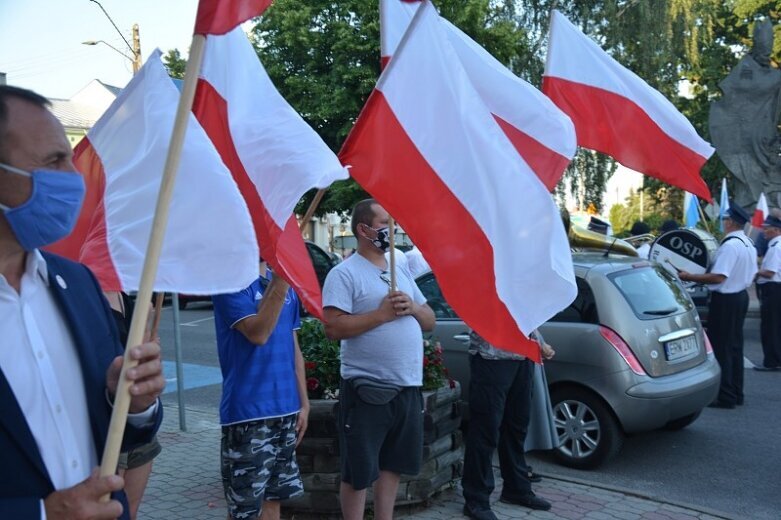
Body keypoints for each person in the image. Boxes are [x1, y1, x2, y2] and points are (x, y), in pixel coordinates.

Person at [0, 85, 164, 518]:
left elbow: (112, 436)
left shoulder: (77, 283)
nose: (73, 177)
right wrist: (39, 514)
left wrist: (132, 404)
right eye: (54, 161)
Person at [322, 199, 435, 520]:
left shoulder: (399, 266)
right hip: (367, 388)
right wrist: (381, 315)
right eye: (385, 223)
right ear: (364, 229)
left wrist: (412, 307)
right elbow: (333, 327)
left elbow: (429, 320)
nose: (392, 230)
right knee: (358, 472)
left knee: (392, 467)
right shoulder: (344, 274)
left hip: (407, 388)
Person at [211, 257, 310, 520]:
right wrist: (281, 281)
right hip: (249, 414)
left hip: (287, 411)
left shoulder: (280, 285)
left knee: (274, 501)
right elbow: (258, 333)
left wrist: (304, 403)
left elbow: (293, 347)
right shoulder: (228, 284)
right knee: (244, 511)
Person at [461, 331, 554, 520]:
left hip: (523, 357)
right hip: (491, 357)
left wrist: (539, 342)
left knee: (516, 427)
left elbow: (525, 316)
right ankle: (476, 499)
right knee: (485, 430)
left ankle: (516, 488)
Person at [679, 203, 757, 408]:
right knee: (734, 346)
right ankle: (736, 392)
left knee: (722, 347)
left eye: (724, 220)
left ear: (730, 221)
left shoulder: (730, 245)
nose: (723, 223)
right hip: (740, 296)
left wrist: (689, 276)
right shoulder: (747, 242)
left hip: (726, 299)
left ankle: (725, 395)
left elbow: (718, 276)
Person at [107, 291, 163, 520]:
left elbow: (136, 348)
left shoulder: (122, 296)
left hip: (138, 421)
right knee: (113, 511)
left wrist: (149, 337)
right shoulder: (83, 290)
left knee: (130, 511)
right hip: (109, 425)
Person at [755, 214, 781, 371]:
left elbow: (769, 272)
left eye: (767, 228)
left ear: (777, 230)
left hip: (772, 290)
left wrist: (756, 271)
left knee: (770, 327)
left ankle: (771, 362)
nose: (764, 231)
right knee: (777, 326)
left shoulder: (775, 247)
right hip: (776, 289)